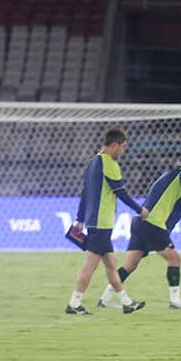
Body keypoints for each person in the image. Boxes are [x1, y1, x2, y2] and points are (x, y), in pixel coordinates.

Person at [97, 158, 181, 310]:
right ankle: (175, 300)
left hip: (139, 222)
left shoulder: (172, 177)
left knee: (130, 264)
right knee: (174, 258)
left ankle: (105, 298)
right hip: (152, 223)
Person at [65, 127, 149, 314]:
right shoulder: (109, 164)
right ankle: (74, 304)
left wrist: (80, 218)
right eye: (122, 147)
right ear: (114, 145)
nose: (122, 151)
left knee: (111, 263)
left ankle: (126, 302)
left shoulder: (92, 162)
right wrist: (140, 210)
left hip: (93, 221)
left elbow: (85, 193)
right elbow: (121, 193)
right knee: (91, 265)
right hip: (102, 222)